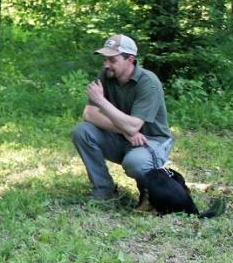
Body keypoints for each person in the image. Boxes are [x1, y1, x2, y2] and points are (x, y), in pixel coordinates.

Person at [71, 34, 173, 203]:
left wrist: (101, 101)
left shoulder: (148, 82)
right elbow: (89, 114)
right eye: (104, 59)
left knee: (135, 163)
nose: (106, 65)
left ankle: (150, 192)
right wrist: (124, 131)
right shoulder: (107, 75)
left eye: (112, 60)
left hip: (151, 140)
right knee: (81, 131)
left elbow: (134, 126)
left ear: (130, 59)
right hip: (124, 137)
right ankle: (104, 189)